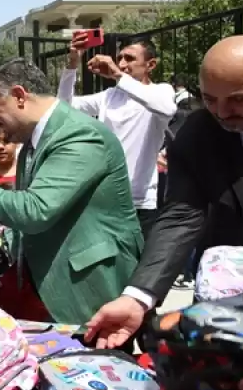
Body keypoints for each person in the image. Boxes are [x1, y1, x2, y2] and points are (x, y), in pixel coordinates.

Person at [0, 58, 142, 327]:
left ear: (19, 96)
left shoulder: (78, 135)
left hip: (92, 292)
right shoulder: (34, 143)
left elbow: (37, 209)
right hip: (51, 289)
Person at [85, 35, 243, 349]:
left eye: (237, 99)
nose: (220, 112)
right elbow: (181, 216)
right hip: (235, 313)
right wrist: (137, 297)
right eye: (209, 99)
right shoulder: (198, 133)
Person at [59, 36, 176, 241]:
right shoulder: (109, 96)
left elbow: (166, 108)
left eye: (129, 58)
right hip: (103, 199)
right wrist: (72, 64)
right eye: (120, 58)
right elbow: (63, 106)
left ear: (151, 65)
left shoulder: (160, 91)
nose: (122, 64)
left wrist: (118, 76)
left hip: (139, 203)